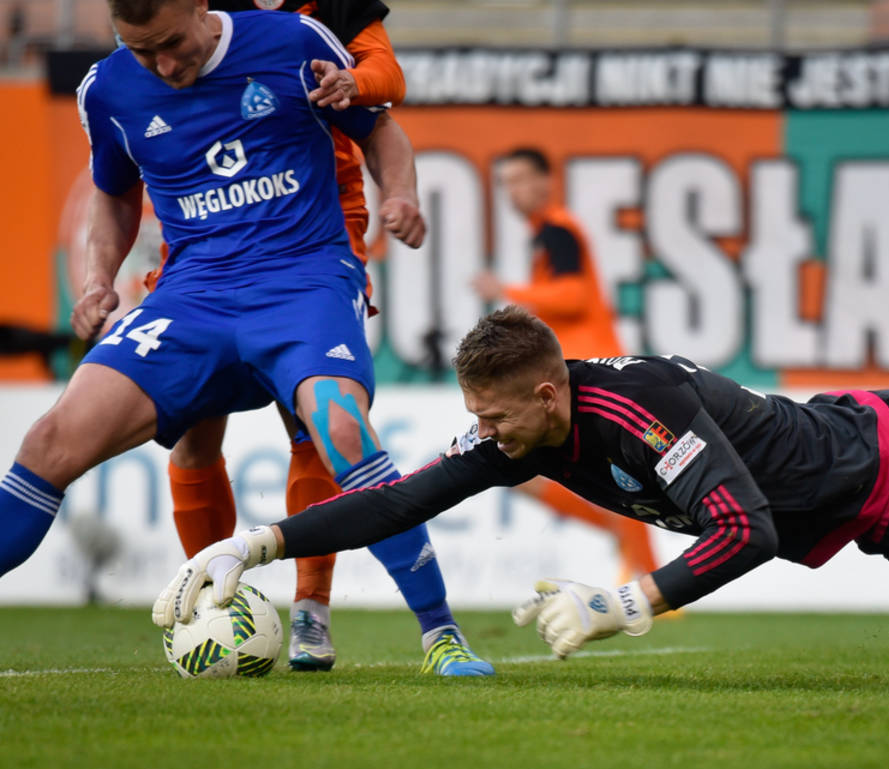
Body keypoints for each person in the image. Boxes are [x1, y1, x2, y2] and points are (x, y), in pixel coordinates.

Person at [156, 306, 889, 663]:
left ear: (549, 393)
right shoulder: (530, 430)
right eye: (479, 417)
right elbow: (401, 498)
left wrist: (626, 602)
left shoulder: (635, 412)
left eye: (498, 416)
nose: (485, 435)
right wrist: (259, 542)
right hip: (885, 419)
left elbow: (746, 531)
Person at [0, 0, 491, 675]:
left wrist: (400, 195)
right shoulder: (108, 88)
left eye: (172, 43)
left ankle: (440, 634)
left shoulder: (293, 41)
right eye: (142, 51)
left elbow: (379, 128)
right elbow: (114, 193)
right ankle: (215, 599)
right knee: (48, 441)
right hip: (191, 296)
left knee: (341, 431)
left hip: (304, 279)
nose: (162, 65)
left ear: (200, 8)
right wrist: (95, 281)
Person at [145, 0, 462, 674]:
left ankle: (313, 608)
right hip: (208, 239)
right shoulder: (192, 17)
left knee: (320, 429)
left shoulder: (333, 7)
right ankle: (211, 597)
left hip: (315, 231)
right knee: (196, 433)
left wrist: (356, 84)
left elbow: (385, 78)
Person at [470, 147, 659, 582]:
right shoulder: (546, 234)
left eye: (521, 179)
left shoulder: (559, 229)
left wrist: (508, 291)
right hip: (569, 372)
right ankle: (631, 550)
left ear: (546, 181)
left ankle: (650, 578)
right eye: (506, 183)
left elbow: (574, 297)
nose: (513, 191)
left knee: (608, 473)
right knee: (538, 475)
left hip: (590, 370)